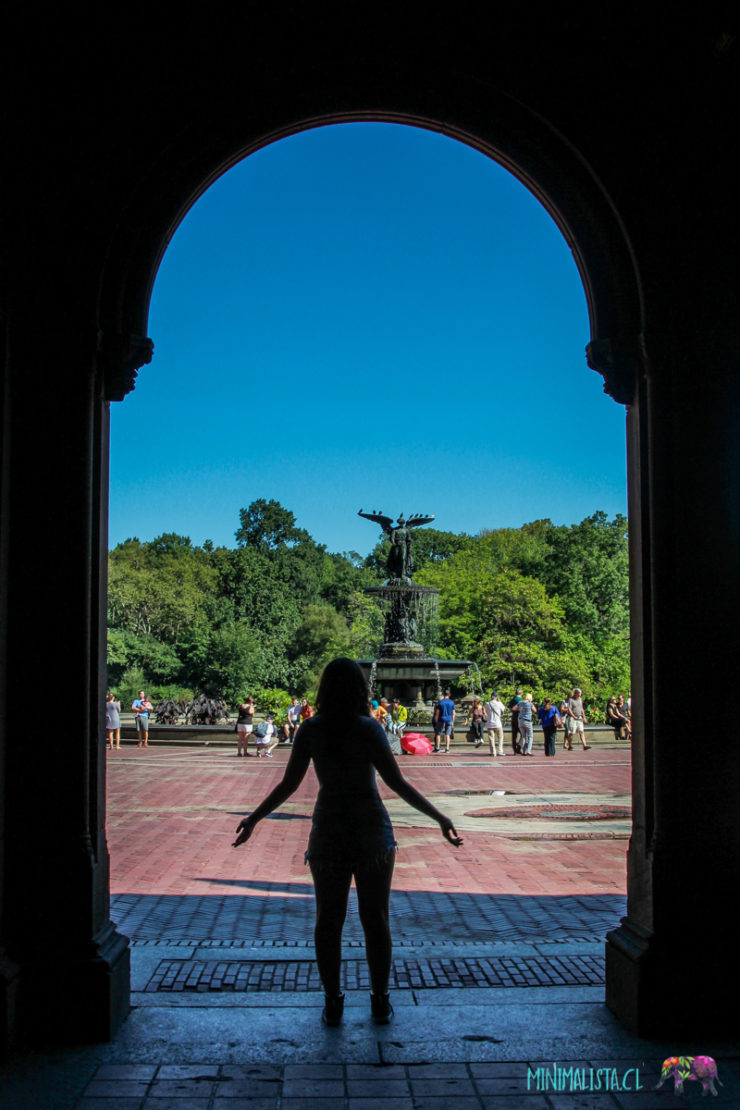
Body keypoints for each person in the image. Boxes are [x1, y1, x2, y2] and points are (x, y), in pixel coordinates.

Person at [232, 658, 463, 1027]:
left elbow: (289, 785)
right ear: (360, 688)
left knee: (328, 920)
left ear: (324, 688)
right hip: (371, 829)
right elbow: (397, 784)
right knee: (377, 920)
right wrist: (440, 818)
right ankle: (379, 999)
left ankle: (333, 1000)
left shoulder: (311, 729)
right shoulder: (369, 729)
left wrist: (254, 819)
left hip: (329, 831)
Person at [433, 689, 456, 753]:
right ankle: (447, 748)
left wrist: (437, 720)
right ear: (449, 695)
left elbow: (437, 713)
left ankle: (437, 748)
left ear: (443, 695)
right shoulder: (451, 702)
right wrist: (453, 722)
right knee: (447, 734)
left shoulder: (440, 702)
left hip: (441, 719)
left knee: (438, 734)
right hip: (449, 719)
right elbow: (453, 713)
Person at [484, 691, 505, 757]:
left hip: (490, 723)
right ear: (496, 697)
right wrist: (500, 701)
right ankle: (500, 751)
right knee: (500, 737)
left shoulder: (487, 704)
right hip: (498, 724)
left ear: (491, 697)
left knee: (491, 738)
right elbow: (504, 709)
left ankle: (493, 752)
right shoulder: (499, 703)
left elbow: (486, 711)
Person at [508, 688, 523, 755]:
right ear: (521, 694)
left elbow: (510, 709)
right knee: (523, 734)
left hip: (513, 718)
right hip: (519, 718)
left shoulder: (512, 700)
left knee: (514, 735)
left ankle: (514, 750)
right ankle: (518, 747)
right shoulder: (521, 700)